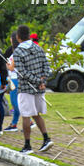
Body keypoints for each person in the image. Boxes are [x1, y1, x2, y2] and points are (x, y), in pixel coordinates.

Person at [13, 24, 53, 155]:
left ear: (18, 37)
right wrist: (42, 81)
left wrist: (37, 81)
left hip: (25, 88)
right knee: (36, 114)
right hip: (39, 88)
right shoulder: (38, 48)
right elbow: (47, 67)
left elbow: (22, 72)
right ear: (29, 35)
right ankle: (46, 138)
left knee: (26, 115)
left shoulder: (18, 52)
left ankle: (27, 145)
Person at [3, 32, 21, 132]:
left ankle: (28, 120)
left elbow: (11, 67)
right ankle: (14, 123)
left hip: (15, 79)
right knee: (17, 102)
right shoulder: (14, 50)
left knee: (15, 102)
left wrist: (5, 64)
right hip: (15, 78)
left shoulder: (16, 51)